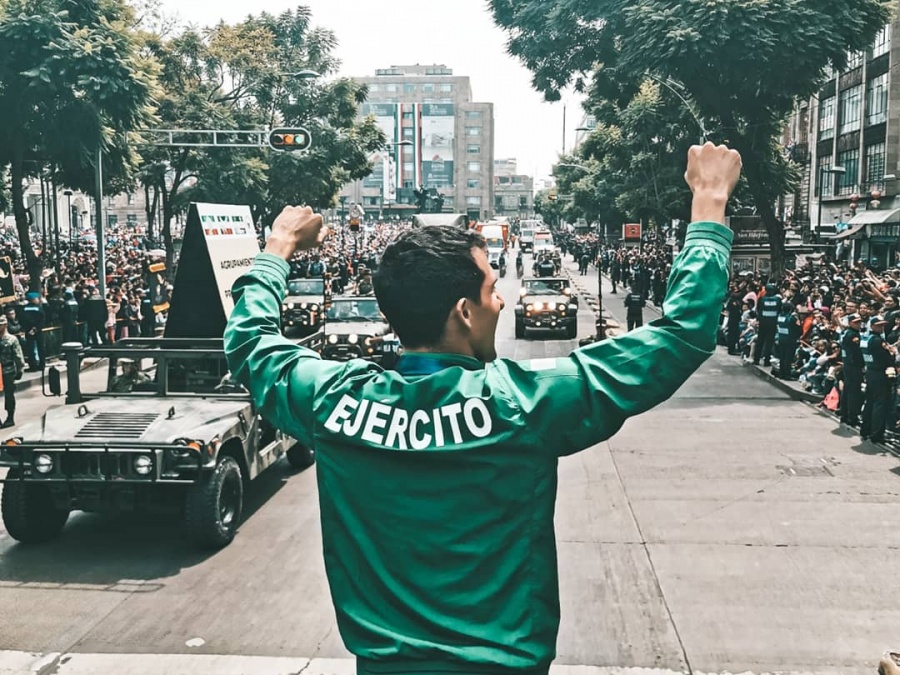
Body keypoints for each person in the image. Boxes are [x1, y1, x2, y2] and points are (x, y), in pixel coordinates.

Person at [224, 142, 741, 675]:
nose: (501, 301)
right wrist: (708, 203)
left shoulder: (331, 400)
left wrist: (278, 246)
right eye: (493, 289)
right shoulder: (526, 402)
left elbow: (250, 343)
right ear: (465, 311)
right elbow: (681, 333)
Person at [860, 315, 895, 443]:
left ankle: (865, 430)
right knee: (879, 404)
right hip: (879, 373)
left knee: (870, 402)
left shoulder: (865, 338)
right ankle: (876, 434)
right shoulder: (877, 340)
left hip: (870, 372)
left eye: (883, 325)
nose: (882, 327)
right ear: (873, 326)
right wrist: (892, 352)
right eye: (879, 325)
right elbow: (887, 358)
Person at [839, 313, 865, 427]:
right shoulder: (853, 335)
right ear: (850, 323)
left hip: (848, 365)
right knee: (854, 392)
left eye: (860, 322)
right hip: (854, 366)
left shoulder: (847, 333)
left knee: (847, 390)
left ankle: (844, 414)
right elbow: (858, 352)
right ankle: (852, 417)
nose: (859, 324)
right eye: (856, 322)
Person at [0, 315, 25, 428]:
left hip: (8, 371)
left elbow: (18, 356)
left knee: (9, 395)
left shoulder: (11, 339)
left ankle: (10, 417)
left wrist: (20, 369)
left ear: (5, 325)